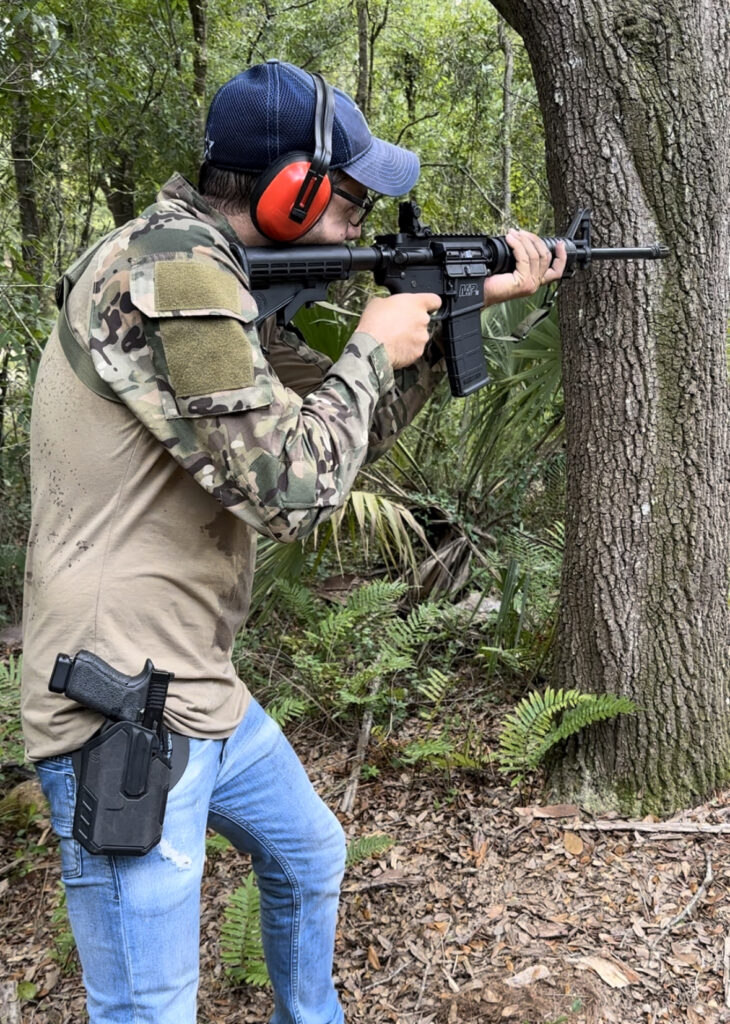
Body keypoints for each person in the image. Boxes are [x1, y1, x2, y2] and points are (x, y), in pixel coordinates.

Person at [20, 59, 566, 1024]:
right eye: (350, 198)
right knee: (148, 1009)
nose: (359, 221)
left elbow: (330, 433)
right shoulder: (175, 278)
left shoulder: (213, 277)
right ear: (290, 190)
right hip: (120, 710)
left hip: (192, 686)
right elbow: (293, 491)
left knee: (310, 855)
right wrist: (370, 343)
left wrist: (443, 327)